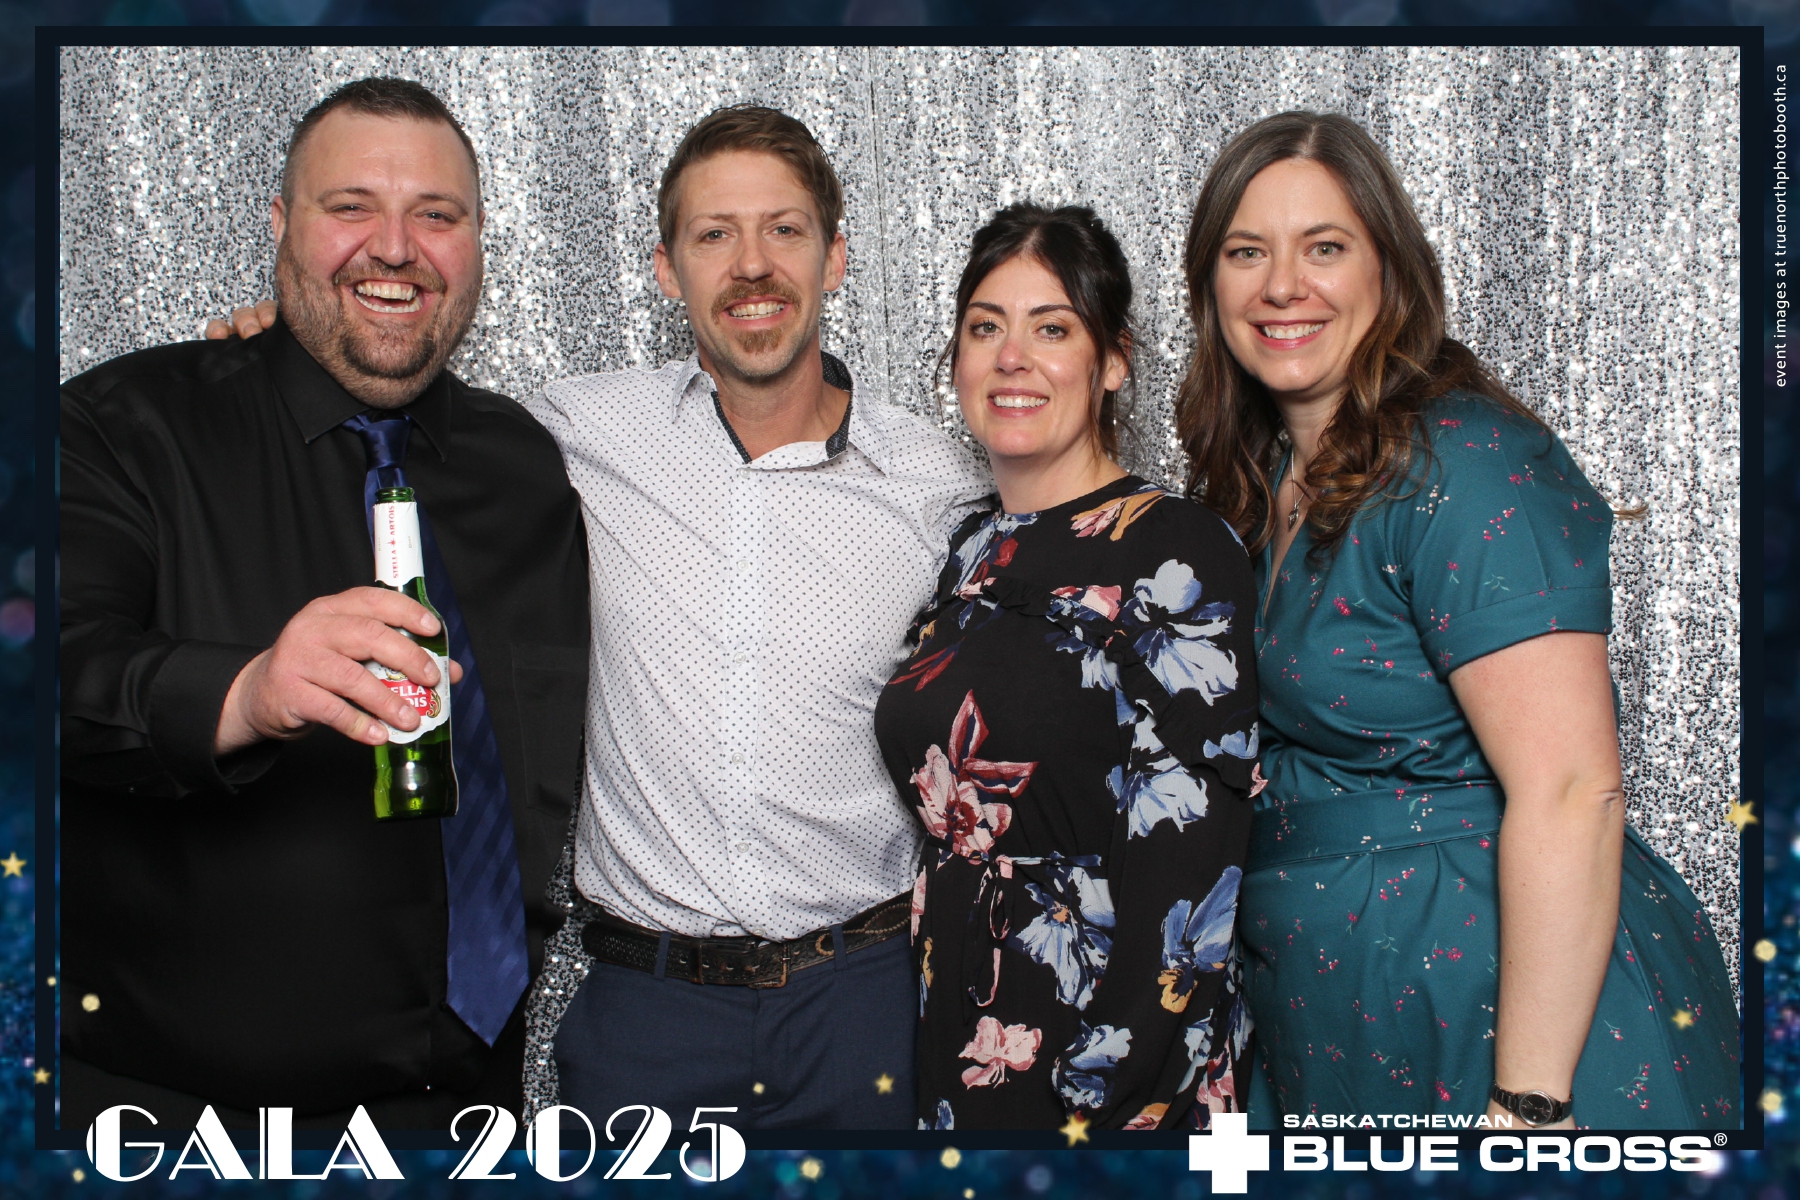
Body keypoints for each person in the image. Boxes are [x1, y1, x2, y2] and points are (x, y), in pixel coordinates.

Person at [1175, 111, 1739, 1129]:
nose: (1283, 286)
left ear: (1390, 271)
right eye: (1247, 252)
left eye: (1325, 248)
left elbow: (1572, 789)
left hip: (1503, 1015)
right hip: (1344, 1017)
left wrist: (1528, 1107)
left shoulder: (1466, 464)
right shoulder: (1261, 480)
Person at [60, 78, 590, 1130]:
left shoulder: (529, 465)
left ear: (477, 243)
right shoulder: (123, 426)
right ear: (281, 226)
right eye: (351, 207)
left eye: (435, 215)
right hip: (182, 1117)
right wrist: (246, 691)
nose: (394, 248)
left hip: (473, 1109)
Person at [874, 204, 1260, 1133]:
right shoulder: (970, 549)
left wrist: (1098, 1093)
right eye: (985, 328)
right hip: (965, 1024)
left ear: (1113, 361)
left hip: (1114, 1054)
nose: (1012, 357)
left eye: (1052, 329)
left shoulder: (1177, 548)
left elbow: (1195, 865)